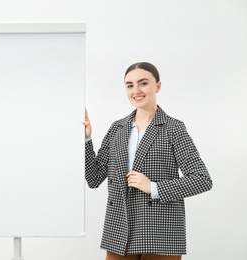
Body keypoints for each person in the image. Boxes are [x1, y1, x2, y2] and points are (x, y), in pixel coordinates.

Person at [82, 62, 213, 260]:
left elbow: (202, 179)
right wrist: (86, 140)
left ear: (157, 86)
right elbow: (94, 179)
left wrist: (152, 187)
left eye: (143, 83)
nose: (136, 91)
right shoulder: (117, 128)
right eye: (129, 85)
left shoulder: (173, 128)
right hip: (119, 231)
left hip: (161, 231)